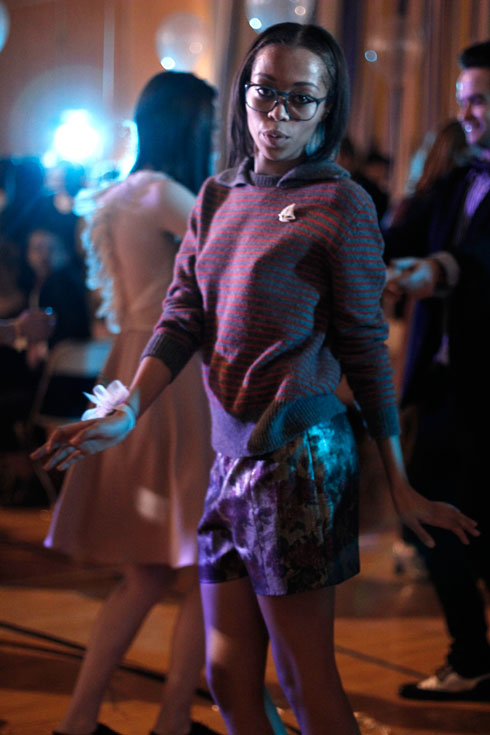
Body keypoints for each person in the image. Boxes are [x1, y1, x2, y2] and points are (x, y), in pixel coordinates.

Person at [33, 24, 478, 735]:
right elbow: (182, 316)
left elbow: (365, 350)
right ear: (242, 93)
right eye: (265, 92)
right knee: (227, 677)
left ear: (326, 108)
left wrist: (397, 478)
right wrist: (129, 408)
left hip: (299, 459)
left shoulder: (340, 203)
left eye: (301, 99)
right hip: (226, 455)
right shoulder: (215, 194)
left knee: (304, 679)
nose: (278, 114)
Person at [41, 72, 218, 735]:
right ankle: (173, 721)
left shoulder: (120, 192)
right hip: (175, 376)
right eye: (209, 122)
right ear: (189, 125)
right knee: (205, 565)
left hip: (131, 364)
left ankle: (79, 720)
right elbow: (233, 258)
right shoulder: (165, 193)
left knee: (146, 573)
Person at [384, 39, 490, 701]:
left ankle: (473, 658)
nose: (466, 113)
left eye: (479, 100)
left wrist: (440, 270)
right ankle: (472, 657)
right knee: (427, 514)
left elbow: (475, 258)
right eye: (463, 100)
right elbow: (402, 235)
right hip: (448, 384)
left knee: (453, 519)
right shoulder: (459, 177)